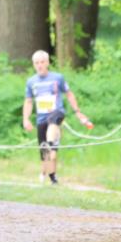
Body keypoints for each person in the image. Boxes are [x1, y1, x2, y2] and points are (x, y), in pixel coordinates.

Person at [22, 50, 90, 185]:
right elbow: (28, 101)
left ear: (47, 63)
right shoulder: (31, 82)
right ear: (34, 65)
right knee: (45, 154)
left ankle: (52, 145)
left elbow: (69, 94)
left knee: (52, 130)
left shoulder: (57, 78)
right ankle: (50, 176)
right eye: (37, 63)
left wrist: (77, 111)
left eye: (42, 62)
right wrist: (26, 118)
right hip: (41, 118)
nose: (40, 65)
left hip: (57, 113)